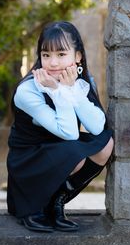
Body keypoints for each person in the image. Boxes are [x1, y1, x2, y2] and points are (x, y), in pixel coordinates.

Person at [7, 20, 114, 232]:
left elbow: (97, 126)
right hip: (29, 161)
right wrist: (58, 91)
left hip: (58, 150)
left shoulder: (80, 82)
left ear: (78, 57)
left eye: (61, 54)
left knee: (105, 144)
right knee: (73, 152)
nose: (53, 63)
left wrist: (71, 89)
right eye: (46, 55)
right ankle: (34, 207)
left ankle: (56, 202)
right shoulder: (28, 91)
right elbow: (69, 133)